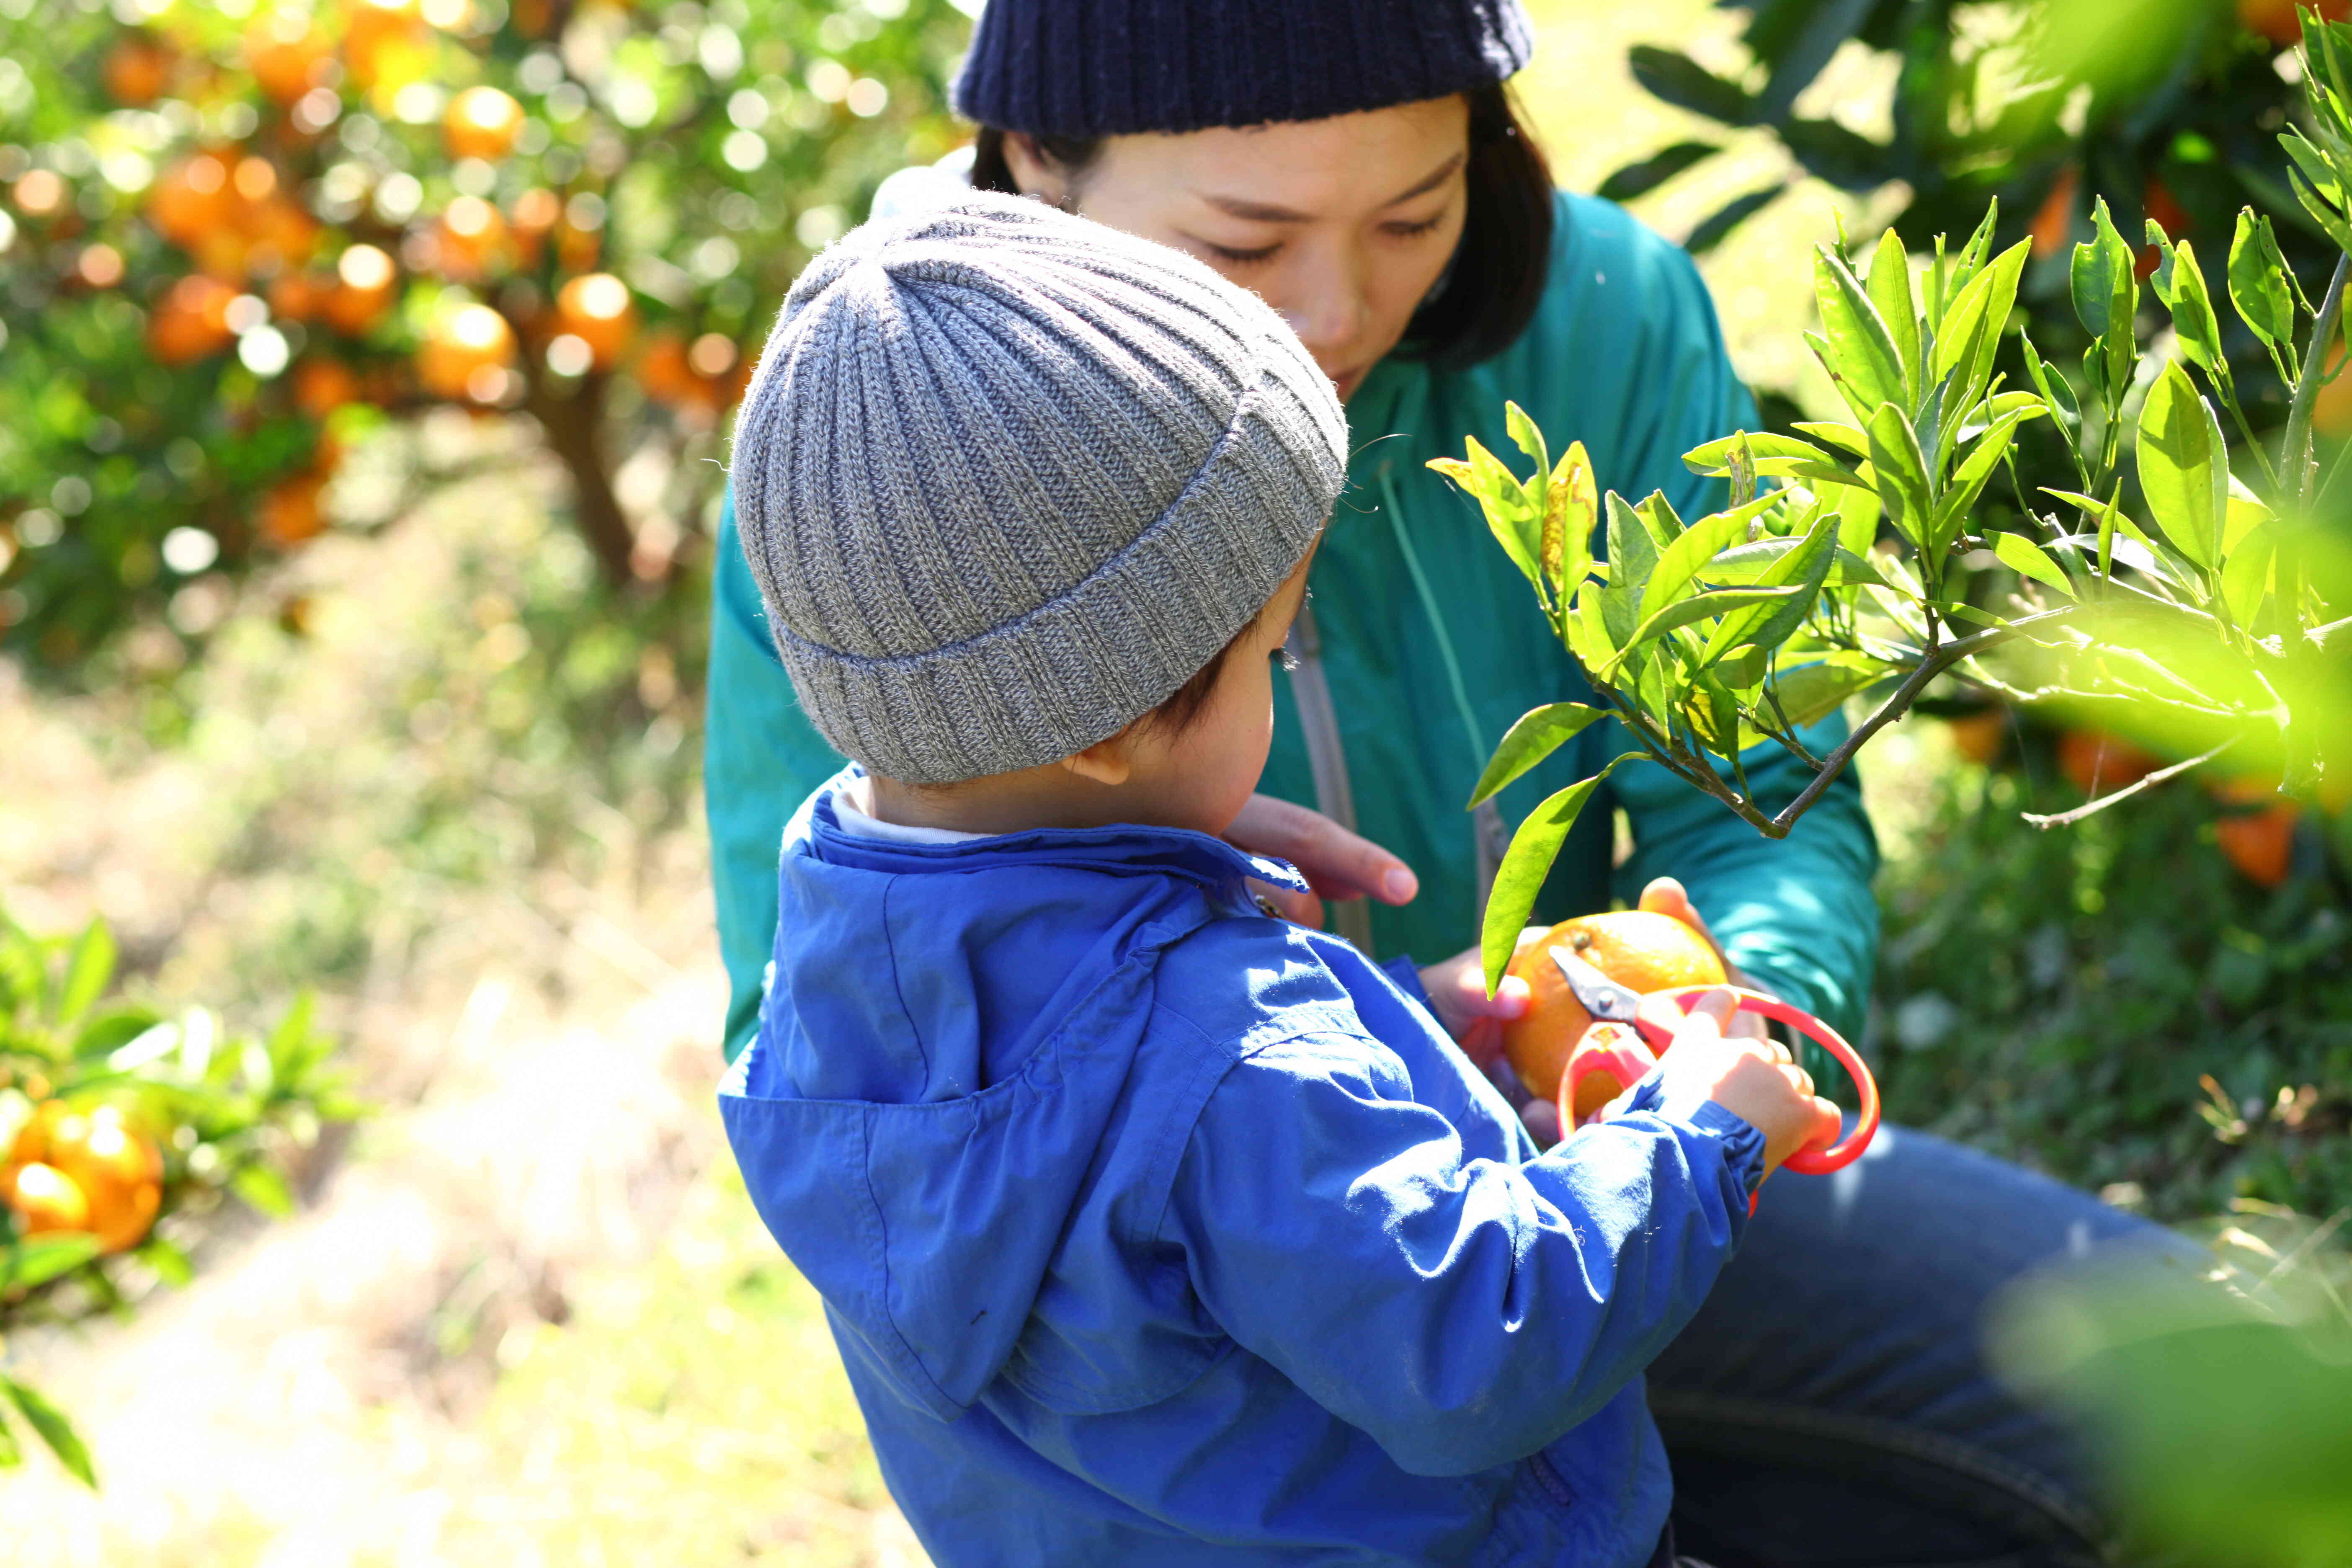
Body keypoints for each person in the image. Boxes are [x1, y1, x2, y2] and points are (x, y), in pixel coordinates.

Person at [704, 3, 2197, 1559]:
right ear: (1037, 164)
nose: (1339, 313)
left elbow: (896, 990)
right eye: (1248, 242)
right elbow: (1448, 1317)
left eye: (1415, 214)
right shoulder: (888, 502)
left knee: (2224, 1410)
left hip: (1549, 1173)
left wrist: (1641, 1044)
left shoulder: (1599, 324)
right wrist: (1289, 1023)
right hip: (1452, 1293)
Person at [721, 189, 1846, 1568]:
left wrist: (1390, 1032)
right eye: (1268, 646)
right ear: (1112, 730)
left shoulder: (831, 954)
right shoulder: (1235, 1057)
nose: (1276, 664)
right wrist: (1698, 1128)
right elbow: (1481, 1341)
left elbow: (1122, 1187)